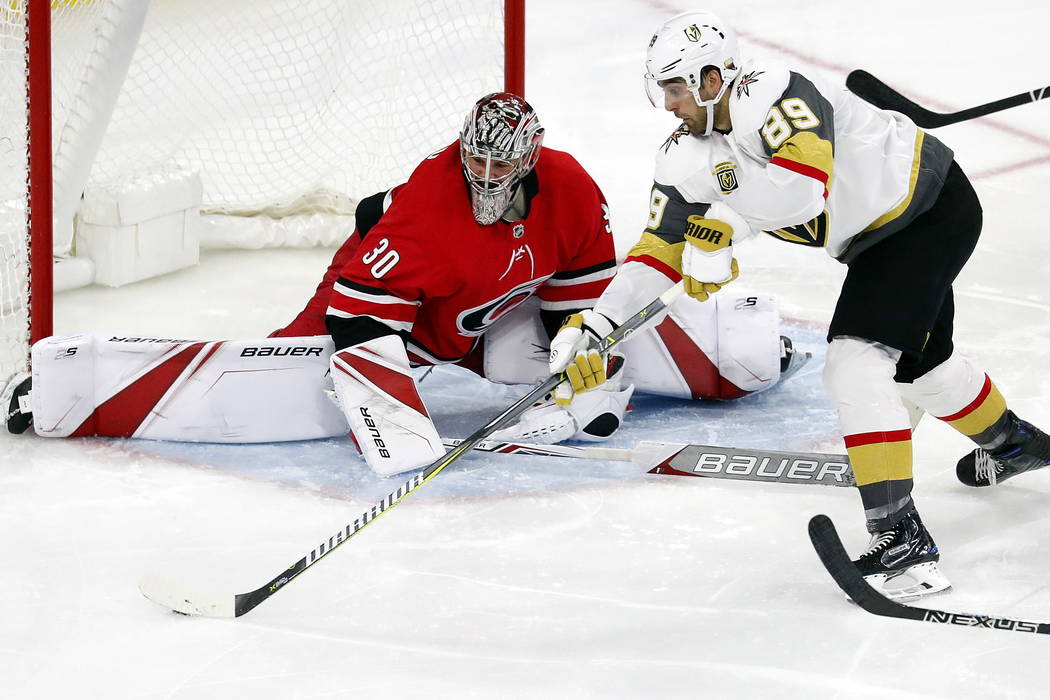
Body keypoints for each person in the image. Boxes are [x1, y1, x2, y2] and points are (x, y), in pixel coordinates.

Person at [3, 92, 805, 477]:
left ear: (530, 159)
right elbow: (358, 323)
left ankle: (743, 340)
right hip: (381, 307)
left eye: (503, 163)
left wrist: (582, 373)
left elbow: (582, 303)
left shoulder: (571, 190)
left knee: (572, 359)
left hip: (482, 320)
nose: (487, 174)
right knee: (292, 379)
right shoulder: (425, 209)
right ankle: (64, 388)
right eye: (477, 159)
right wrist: (396, 419)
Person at [547, 11, 1050, 601]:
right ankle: (1016, 447)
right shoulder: (684, 155)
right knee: (923, 368)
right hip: (874, 243)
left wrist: (727, 226)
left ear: (714, 80)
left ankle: (904, 545)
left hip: (929, 210)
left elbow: (805, 183)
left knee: (856, 364)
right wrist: (598, 322)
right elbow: (658, 249)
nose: (668, 105)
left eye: (676, 89)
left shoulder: (775, 92)